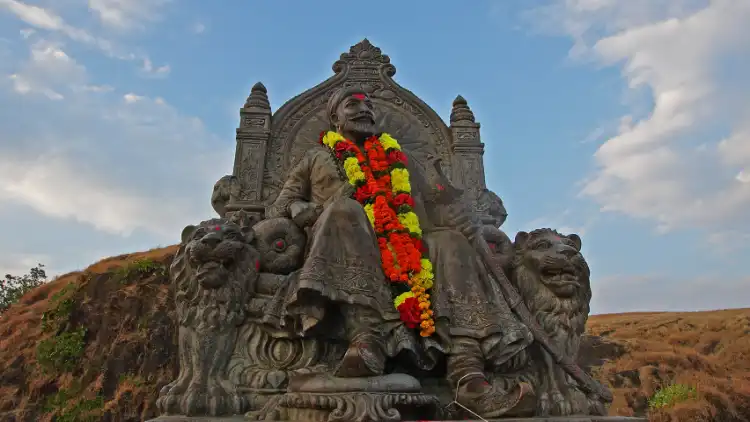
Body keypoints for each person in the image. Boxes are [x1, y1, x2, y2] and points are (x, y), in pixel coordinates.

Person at [265, 87, 533, 417]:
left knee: (450, 242)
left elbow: (436, 205)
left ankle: (469, 376)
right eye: (353, 105)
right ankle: (366, 339)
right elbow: (279, 207)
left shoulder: (399, 158)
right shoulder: (316, 158)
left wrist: (456, 216)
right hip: (343, 243)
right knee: (346, 211)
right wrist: (300, 210)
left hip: (405, 246)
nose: (365, 110)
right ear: (335, 117)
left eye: (369, 105)